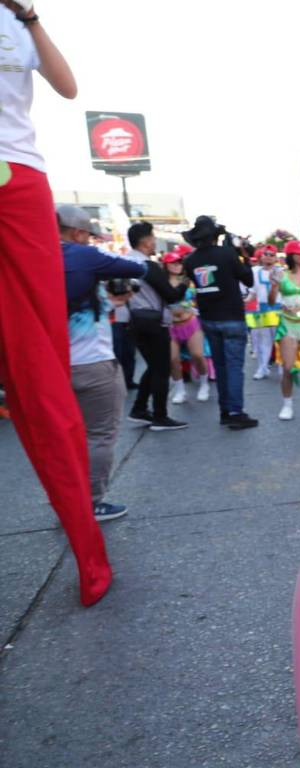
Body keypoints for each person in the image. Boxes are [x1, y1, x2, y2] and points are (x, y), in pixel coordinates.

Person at [0, 1, 111, 605]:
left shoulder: (20, 21)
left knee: (40, 375)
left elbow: (68, 87)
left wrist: (32, 16)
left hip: (20, 180)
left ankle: (89, 548)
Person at [59, 205, 147, 521]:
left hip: (52, 365)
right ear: (78, 232)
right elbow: (138, 270)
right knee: (99, 435)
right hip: (92, 363)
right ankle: (91, 502)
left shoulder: (31, 256)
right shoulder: (81, 255)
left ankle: (67, 500)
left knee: (67, 439)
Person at [182, 215, 258, 430]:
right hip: (231, 317)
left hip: (209, 319)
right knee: (234, 367)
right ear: (216, 235)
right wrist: (242, 256)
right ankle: (235, 411)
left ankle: (225, 410)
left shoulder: (191, 260)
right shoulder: (227, 254)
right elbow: (248, 280)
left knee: (222, 366)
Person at [125, 220, 190, 431]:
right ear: (145, 241)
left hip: (135, 319)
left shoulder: (126, 262)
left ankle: (140, 409)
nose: (155, 242)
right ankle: (160, 416)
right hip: (154, 322)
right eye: (152, 238)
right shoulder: (147, 266)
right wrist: (183, 284)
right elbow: (170, 296)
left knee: (153, 366)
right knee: (162, 369)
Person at [269, 240, 300, 420]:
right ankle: (287, 405)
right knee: (287, 368)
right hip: (288, 325)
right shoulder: (282, 275)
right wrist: (274, 285)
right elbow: (272, 302)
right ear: (293, 256)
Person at [163, 248, 211, 405]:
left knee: (197, 355)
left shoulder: (189, 281)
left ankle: (204, 385)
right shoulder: (161, 283)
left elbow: (202, 295)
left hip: (190, 323)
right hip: (170, 326)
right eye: (173, 263)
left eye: (179, 262)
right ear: (166, 265)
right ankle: (180, 390)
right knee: (172, 359)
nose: (177, 265)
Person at [246, 245, 283, 379]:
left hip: (279, 309)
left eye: (271, 254)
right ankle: (262, 368)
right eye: (266, 254)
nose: (268, 256)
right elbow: (253, 293)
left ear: (276, 257)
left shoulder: (282, 272)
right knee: (263, 342)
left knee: (280, 341)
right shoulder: (255, 272)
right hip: (262, 310)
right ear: (261, 256)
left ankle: (282, 368)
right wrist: (245, 301)